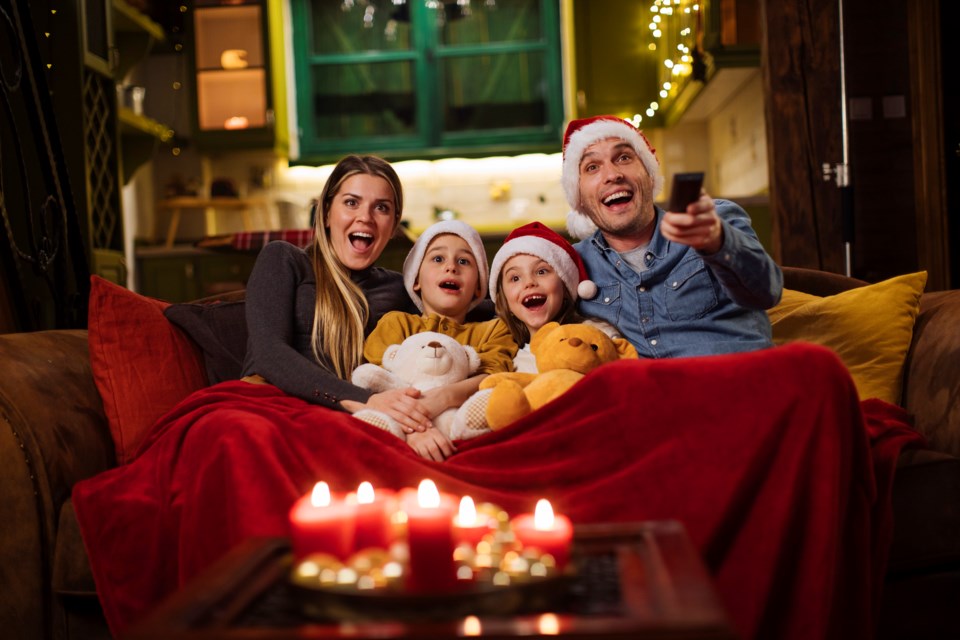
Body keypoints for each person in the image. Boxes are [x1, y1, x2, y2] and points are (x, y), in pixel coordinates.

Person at [240, 154, 434, 434]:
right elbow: (269, 355)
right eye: (351, 202)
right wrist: (364, 400)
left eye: (381, 207)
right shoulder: (284, 260)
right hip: (270, 405)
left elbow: (476, 308)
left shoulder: (402, 288)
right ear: (328, 211)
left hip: (350, 421)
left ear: (394, 225)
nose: (365, 217)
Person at [559, 115, 783, 358]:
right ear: (578, 196)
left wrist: (718, 241)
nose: (612, 175)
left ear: (650, 174)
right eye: (592, 167)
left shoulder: (714, 219)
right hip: (652, 393)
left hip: (737, 383)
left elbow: (766, 291)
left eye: (624, 158)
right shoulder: (571, 264)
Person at [360, 219, 518, 459]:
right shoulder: (396, 323)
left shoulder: (494, 329)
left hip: (464, 437)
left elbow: (494, 375)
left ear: (478, 287)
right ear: (415, 279)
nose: (451, 267)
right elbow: (380, 380)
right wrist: (415, 429)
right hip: (403, 432)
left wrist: (444, 397)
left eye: (464, 261)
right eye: (437, 259)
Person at [487, 220, 620, 373]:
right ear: (505, 301)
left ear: (565, 287)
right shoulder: (508, 361)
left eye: (541, 271)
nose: (529, 282)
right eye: (515, 278)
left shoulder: (596, 336)